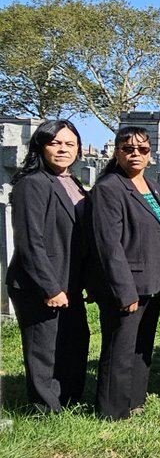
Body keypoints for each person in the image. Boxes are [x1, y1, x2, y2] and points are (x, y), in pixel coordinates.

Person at [6, 119, 90, 413]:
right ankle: (45, 408)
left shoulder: (72, 182)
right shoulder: (32, 183)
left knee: (74, 341)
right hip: (40, 283)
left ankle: (69, 399)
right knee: (44, 347)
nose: (63, 149)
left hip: (70, 281)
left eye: (70, 144)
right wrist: (49, 287)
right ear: (41, 146)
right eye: (55, 143)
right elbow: (30, 241)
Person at [88, 126, 160, 420]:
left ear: (150, 154)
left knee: (141, 346)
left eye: (142, 149)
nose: (136, 154)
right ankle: (112, 410)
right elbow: (108, 245)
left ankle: (135, 400)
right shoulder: (109, 188)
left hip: (151, 281)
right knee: (119, 348)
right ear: (117, 152)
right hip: (128, 284)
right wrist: (124, 290)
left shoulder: (150, 185)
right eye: (128, 148)